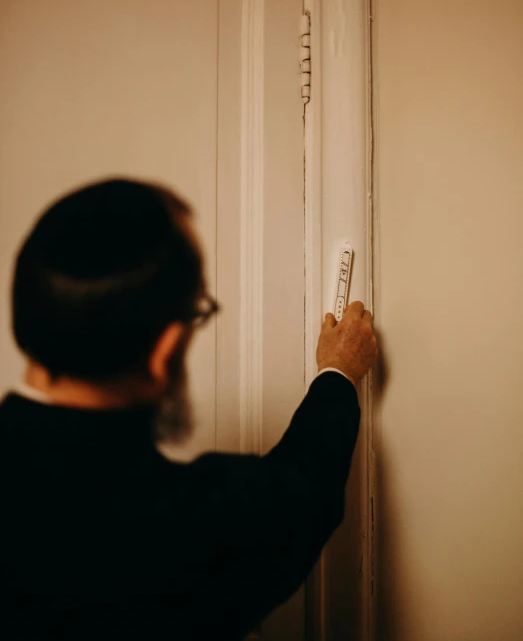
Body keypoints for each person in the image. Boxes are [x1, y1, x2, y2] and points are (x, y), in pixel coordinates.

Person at [0, 177, 377, 640]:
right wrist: (338, 372)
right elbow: (302, 490)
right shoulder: (183, 532)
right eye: (197, 309)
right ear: (165, 351)